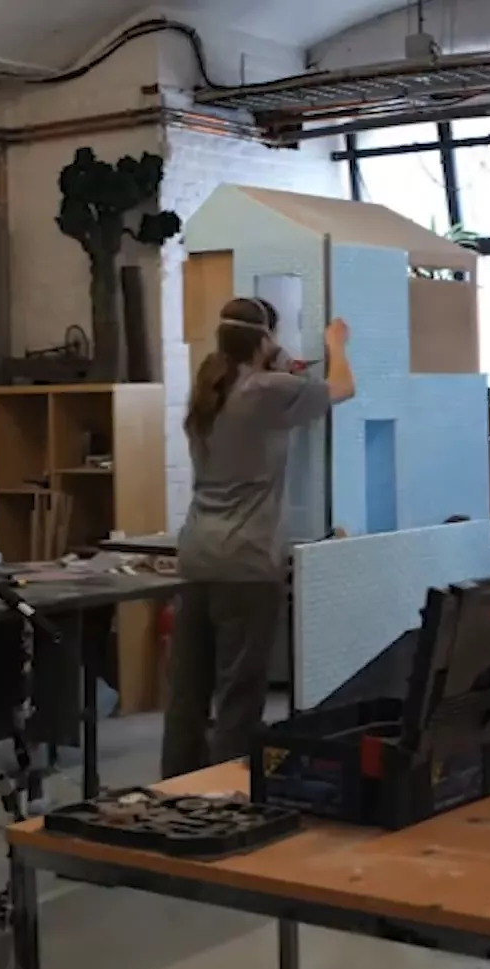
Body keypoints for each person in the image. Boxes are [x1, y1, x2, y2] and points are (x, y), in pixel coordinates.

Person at [161, 297, 357, 778]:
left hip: (196, 556)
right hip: (246, 562)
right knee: (239, 695)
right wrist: (336, 344)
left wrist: (279, 364)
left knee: (188, 691)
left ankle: (175, 789)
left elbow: (269, 385)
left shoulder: (209, 386)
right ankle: (227, 794)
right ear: (265, 338)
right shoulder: (268, 390)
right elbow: (343, 388)